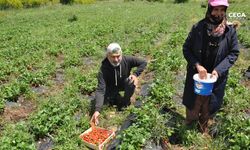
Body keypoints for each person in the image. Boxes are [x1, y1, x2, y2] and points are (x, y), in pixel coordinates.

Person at [182, 0, 239, 132]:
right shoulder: (198, 28)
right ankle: (189, 124)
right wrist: (197, 65)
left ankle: (203, 127)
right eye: (216, 9)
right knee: (193, 103)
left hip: (215, 78)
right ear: (209, 9)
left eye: (222, 10)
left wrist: (218, 70)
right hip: (196, 75)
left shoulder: (229, 31)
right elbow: (186, 49)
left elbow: (234, 53)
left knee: (209, 105)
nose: (218, 13)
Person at [90, 43, 147, 125]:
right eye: (113, 57)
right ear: (107, 56)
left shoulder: (127, 59)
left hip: (123, 84)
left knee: (131, 82)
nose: (116, 59)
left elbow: (143, 62)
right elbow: (100, 90)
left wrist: (135, 75)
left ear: (121, 54)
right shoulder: (103, 69)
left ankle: (126, 102)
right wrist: (97, 110)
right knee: (106, 102)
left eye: (118, 56)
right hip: (111, 88)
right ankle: (114, 98)